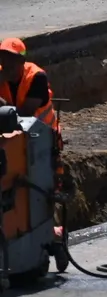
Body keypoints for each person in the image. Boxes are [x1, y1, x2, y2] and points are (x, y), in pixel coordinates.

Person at [0, 37, 63, 194]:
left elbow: (26, 112)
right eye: (4, 58)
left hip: (42, 136)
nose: (7, 64)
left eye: (12, 59)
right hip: (13, 135)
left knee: (44, 181)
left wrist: (2, 105)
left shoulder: (36, 77)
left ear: (22, 60)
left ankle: (55, 191)